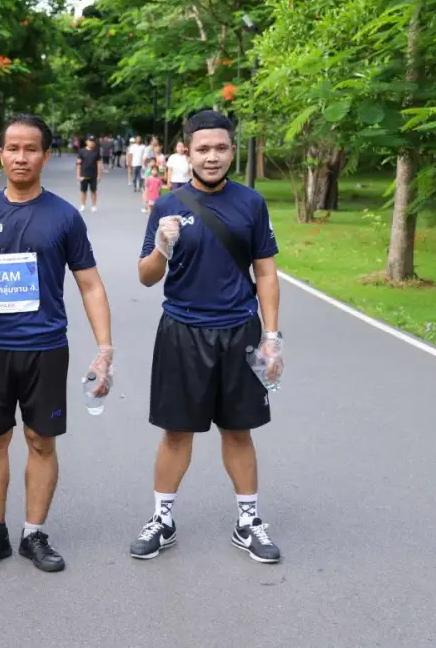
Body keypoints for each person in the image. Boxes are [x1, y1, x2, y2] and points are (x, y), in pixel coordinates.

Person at [0, 113, 115, 575]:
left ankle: (34, 534)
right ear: (0, 154)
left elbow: (90, 284)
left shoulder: (64, 216)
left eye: (30, 149)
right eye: (12, 148)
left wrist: (105, 348)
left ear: (45, 156)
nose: (20, 157)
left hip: (46, 347)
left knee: (41, 441)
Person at [130, 110, 283, 564]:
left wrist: (272, 337)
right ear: (188, 153)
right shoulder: (167, 205)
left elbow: (266, 273)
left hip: (240, 330)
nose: (211, 157)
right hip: (182, 330)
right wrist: (162, 246)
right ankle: (162, 519)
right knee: (176, 432)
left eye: (220, 148)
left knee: (238, 430)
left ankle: (248, 521)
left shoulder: (251, 203)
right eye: (202, 149)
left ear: (232, 150)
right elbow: (145, 276)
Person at [76, 135, 102, 213]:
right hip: (84, 175)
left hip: (93, 175)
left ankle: (94, 206)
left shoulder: (96, 152)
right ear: (86, 142)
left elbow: (99, 164)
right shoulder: (81, 151)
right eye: (90, 141)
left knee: (93, 191)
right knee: (83, 191)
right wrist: (78, 175)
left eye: (93, 141)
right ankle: (82, 205)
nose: (91, 143)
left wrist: (99, 175)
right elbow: (78, 164)